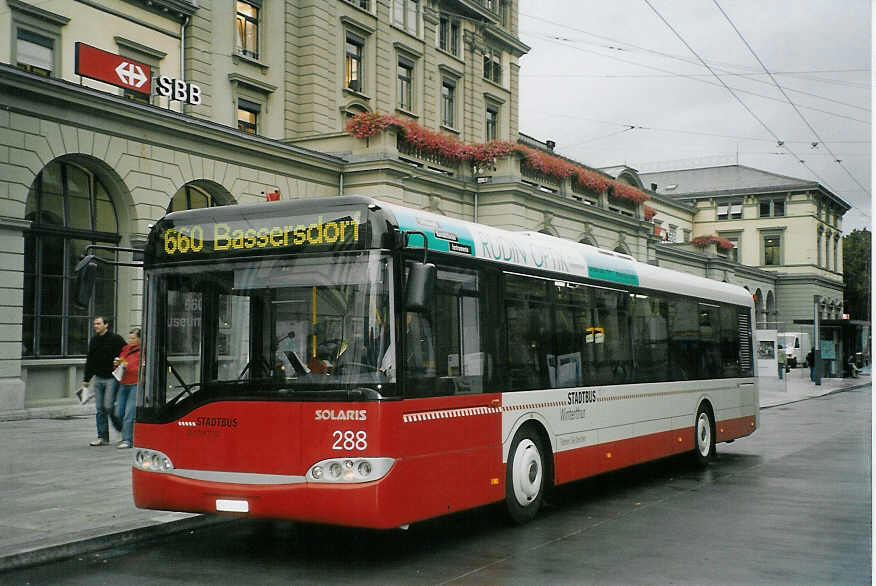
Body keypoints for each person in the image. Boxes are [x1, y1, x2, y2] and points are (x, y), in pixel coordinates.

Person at [84, 316, 126, 446]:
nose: (95, 326)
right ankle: (103, 437)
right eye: (95, 324)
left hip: (111, 379)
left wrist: (121, 364)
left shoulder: (116, 339)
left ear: (106, 325)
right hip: (98, 378)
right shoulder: (94, 340)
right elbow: (90, 359)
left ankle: (122, 430)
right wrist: (86, 379)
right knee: (99, 408)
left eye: (98, 323)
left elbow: (126, 353)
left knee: (108, 406)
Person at [113, 328, 141, 449]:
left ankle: (127, 440)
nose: (131, 340)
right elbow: (121, 360)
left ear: (139, 339)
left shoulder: (143, 351)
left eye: (133, 338)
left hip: (135, 384)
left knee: (129, 414)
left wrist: (128, 366)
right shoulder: (126, 349)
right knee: (118, 413)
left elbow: (141, 368)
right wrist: (118, 363)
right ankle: (128, 434)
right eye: (130, 338)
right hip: (123, 383)